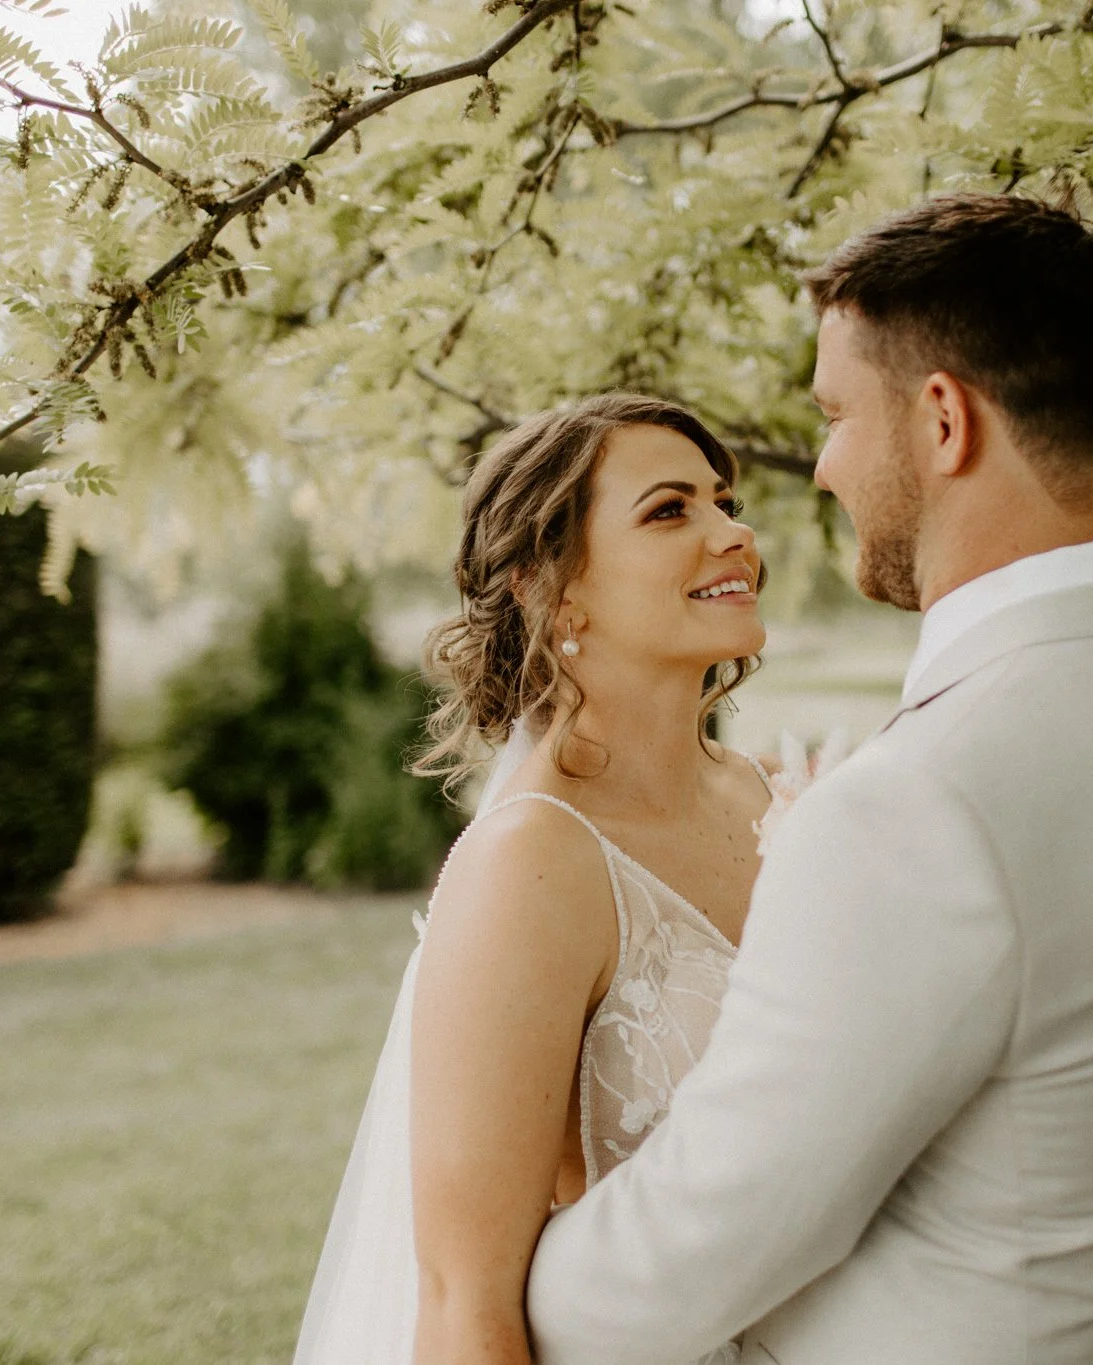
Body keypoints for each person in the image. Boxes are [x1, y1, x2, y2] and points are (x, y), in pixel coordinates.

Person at [524, 194, 1093, 1364]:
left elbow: (683, 1258)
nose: (824, 468)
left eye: (836, 416)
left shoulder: (918, 804)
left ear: (943, 421)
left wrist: (476, 1279)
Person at [293, 393, 774, 1365]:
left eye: (724, 503)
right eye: (669, 510)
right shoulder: (532, 864)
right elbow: (463, 1300)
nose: (734, 534)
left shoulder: (767, 794)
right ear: (552, 588)